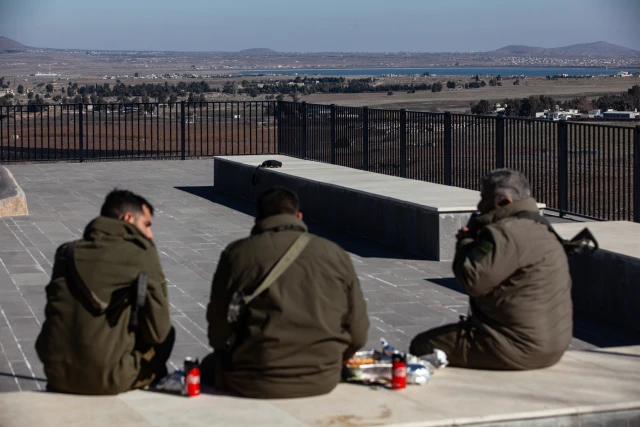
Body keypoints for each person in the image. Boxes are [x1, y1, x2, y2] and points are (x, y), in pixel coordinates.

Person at [204, 186, 369, 399]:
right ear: (299, 216)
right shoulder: (335, 253)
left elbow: (217, 329)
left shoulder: (237, 254)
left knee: (208, 365)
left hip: (252, 378)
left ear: (258, 218)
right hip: (322, 377)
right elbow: (358, 331)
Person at [410, 168, 572, 370]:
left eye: (484, 198)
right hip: (554, 345)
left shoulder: (504, 233)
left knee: (423, 345)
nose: (479, 205)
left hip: (516, 347)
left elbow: (473, 281)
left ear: (504, 202)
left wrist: (466, 242)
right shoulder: (541, 226)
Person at [36, 189, 174, 395]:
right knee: (167, 336)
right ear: (127, 219)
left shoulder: (66, 252)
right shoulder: (141, 252)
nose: (150, 234)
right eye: (147, 224)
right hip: (106, 379)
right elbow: (158, 332)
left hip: (56, 373)